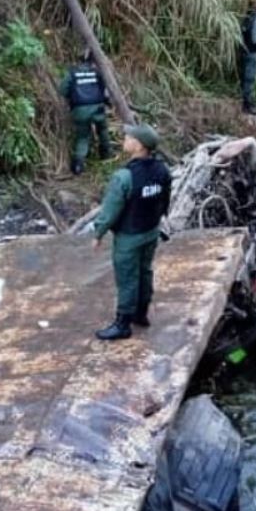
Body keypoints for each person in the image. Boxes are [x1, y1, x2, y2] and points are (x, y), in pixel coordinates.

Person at [93, 123, 172, 341]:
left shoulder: (125, 176)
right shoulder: (162, 170)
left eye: (128, 137)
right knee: (145, 272)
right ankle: (141, 314)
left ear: (138, 145)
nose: (124, 140)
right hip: (151, 231)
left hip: (129, 236)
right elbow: (165, 201)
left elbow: (110, 210)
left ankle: (122, 324)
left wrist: (98, 233)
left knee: (127, 278)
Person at [59, 50, 112, 175]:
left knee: (82, 137)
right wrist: (107, 102)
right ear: (92, 62)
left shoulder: (72, 73)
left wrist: (71, 97)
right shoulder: (97, 72)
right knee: (103, 131)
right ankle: (106, 155)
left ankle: (78, 166)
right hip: (97, 108)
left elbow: (62, 90)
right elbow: (105, 88)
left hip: (80, 110)